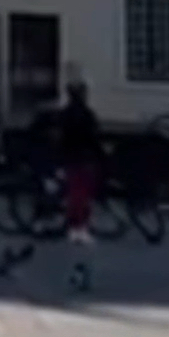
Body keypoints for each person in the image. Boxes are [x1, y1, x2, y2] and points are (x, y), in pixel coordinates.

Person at [51, 78, 104, 242]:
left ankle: (73, 225)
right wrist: (101, 154)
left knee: (75, 194)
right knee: (82, 195)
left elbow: (59, 137)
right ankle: (78, 228)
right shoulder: (87, 115)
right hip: (83, 159)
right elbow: (94, 137)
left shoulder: (64, 114)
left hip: (69, 158)